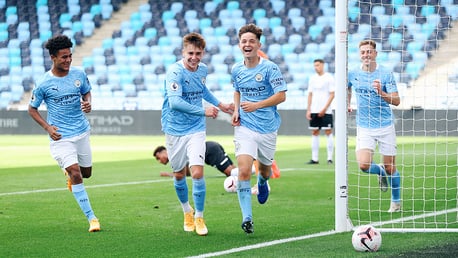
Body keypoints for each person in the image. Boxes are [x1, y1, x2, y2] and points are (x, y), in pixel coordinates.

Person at [161, 32, 233, 236]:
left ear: (203, 54)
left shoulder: (202, 69)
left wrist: (221, 105)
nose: (194, 58)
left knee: (198, 173)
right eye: (190, 53)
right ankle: (187, 211)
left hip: (196, 128)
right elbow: (175, 103)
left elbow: (202, 90)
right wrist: (204, 110)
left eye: (198, 53)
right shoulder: (174, 72)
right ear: (183, 52)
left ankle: (200, 217)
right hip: (174, 129)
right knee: (178, 175)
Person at [27, 35, 100, 232]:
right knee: (76, 173)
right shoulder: (43, 83)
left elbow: (87, 92)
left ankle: (68, 174)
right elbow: (32, 109)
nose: (68, 60)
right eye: (63, 57)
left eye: (70, 56)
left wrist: (88, 102)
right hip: (61, 136)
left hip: (81, 131)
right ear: (53, 57)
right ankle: (92, 218)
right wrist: (47, 128)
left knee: (87, 174)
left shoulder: (78, 74)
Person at [231, 23, 287, 234]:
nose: (247, 44)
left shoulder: (270, 68)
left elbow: (281, 95)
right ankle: (247, 218)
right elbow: (237, 90)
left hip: (267, 128)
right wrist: (237, 110)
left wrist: (257, 105)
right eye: (244, 41)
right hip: (245, 127)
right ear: (239, 45)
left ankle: (263, 183)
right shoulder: (236, 69)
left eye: (251, 41)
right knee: (244, 170)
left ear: (258, 45)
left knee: (264, 172)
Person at [347, 39, 401, 213]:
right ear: (359, 55)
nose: (366, 55)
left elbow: (397, 101)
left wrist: (382, 93)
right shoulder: (353, 72)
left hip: (385, 125)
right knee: (363, 165)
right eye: (363, 52)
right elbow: (347, 88)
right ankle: (380, 172)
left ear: (375, 53)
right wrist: (348, 103)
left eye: (369, 51)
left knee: (391, 167)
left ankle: (395, 201)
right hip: (364, 126)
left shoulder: (385, 74)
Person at [306, 59, 335, 165]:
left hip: (326, 110)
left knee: (328, 131)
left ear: (323, 65)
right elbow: (310, 94)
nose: (316, 67)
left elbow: (332, 94)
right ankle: (315, 158)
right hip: (314, 109)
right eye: (314, 65)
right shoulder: (312, 78)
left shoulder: (329, 77)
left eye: (317, 65)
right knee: (314, 132)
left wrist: (324, 108)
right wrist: (309, 109)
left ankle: (329, 158)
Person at [154, 141, 237, 177]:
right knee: (235, 171)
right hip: (210, 147)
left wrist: (168, 174)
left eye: (158, 158)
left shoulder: (175, 153)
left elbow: (185, 173)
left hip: (209, 151)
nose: (159, 161)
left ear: (163, 152)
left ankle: (248, 174)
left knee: (231, 173)